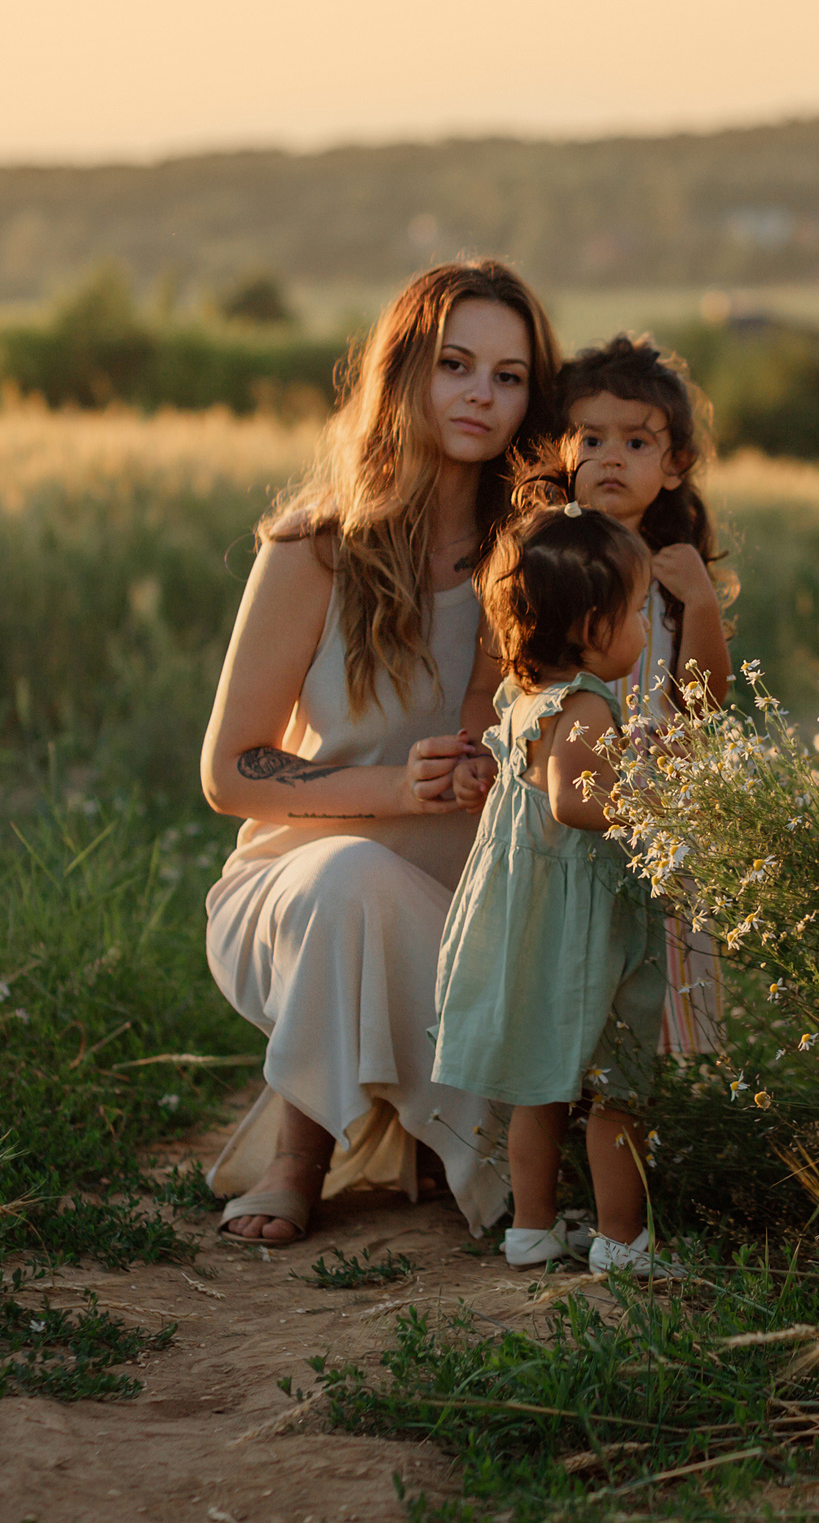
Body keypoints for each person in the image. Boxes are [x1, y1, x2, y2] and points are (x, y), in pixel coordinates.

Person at [199, 261, 560, 1245]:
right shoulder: (312, 546)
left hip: (463, 891)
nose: (481, 393)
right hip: (296, 885)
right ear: (404, 374)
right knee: (353, 879)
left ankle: (456, 1138)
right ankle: (297, 1160)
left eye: (508, 374)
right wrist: (396, 787)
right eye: (455, 364)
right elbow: (230, 771)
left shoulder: (538, 557)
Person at [430, 497, 680, 1279]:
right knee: (615, 1086)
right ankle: (621, 1239)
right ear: (595, 629)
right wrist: (650, 808)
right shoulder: (585, 706)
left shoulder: (525, 696)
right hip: (583, 936)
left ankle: (532, 1230)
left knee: (539, 1085)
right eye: (637, 614)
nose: (644, 632)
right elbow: (576, 801)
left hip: (530, 924)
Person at [551, 334, 732, 1054]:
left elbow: (703, 703)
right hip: (573, 808)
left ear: (675, 462)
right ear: (562, 451)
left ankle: (665, 1100)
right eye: (590, 437)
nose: (611, 456)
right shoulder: (551, 556)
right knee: (579, 966)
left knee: (663, 955)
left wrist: (705, 607)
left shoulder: (673, 570)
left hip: (661, 805)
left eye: (636, 441)